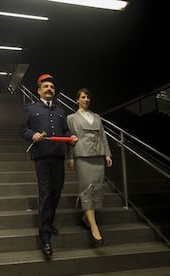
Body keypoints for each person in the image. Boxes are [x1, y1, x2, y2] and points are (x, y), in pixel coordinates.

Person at [19, 74, 77, 259]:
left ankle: (49, 222)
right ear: (39, 90)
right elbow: (22, 129)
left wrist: (72, 138)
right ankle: (44, 236)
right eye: (46, 87)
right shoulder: (30, 108)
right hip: (42, 156)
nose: (49, 89)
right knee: (45, 194)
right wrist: (32, 135)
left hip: (58, 156)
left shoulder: (61, 111)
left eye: (51, 86)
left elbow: (66, 131)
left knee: (56, 191)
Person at [66, 87, 112, 246]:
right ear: (77, 99)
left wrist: (107, 154)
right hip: (82, 155)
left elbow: (103, 136)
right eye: (83, 97)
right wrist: (70, 157)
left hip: (98, 155)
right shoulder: (71, 118)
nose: (86, 100)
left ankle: (86, 217)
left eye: (88, 98)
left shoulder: (97, 117)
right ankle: (94, 226)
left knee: (97, 187)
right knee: (87, 187)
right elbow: (70, 139)